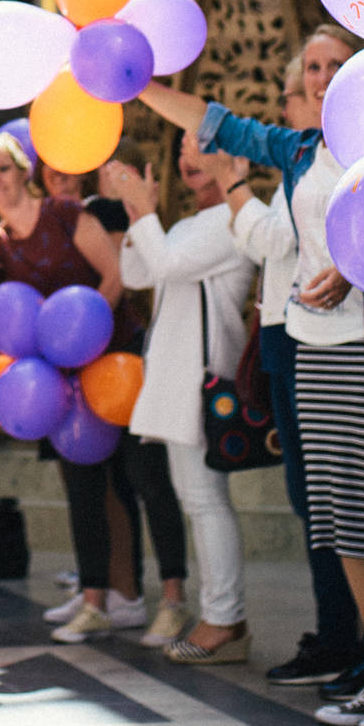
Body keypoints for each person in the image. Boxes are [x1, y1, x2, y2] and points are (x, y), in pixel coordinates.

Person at [136, 26, 364, 726]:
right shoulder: (303, 149)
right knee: (342, 523)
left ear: (363, 74)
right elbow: (218, 123)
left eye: (335, 64)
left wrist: (358, 268)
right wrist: (139, 86)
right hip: (312, 347)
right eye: (312, 65)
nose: (320, 76)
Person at [0, 133, 150, 646]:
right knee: (80, 486)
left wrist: (84, 342)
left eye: (3, 168)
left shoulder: (63, 213)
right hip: (55, 382)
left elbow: (113, 275)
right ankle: (95, 596)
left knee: (119, 485)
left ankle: (124, 596)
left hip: (108, 366)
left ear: (24, 171)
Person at [222, 55, 364, 685]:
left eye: (294, 95)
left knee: (335, 498)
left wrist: (234, 189)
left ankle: (349, 639)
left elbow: (273, 241)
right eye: (298, 85)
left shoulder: (318, 165)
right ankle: (337, 633)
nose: (290, 106)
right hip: (290, 328)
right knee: (313, 498)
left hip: (321, 330)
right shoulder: (302, 161)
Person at [106, 134, 257, 664]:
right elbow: (138, 272)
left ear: (232, 158)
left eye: (200, 147)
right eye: (182, 151)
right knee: (198, 501)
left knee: (205, 502)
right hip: (175, 379)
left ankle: (225, 619)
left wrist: (146, 212)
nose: (187, 159)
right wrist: (137, 213)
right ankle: (222, 615)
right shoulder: (194, 223)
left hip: (200, 379)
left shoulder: (232, 219)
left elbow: (167, 265)